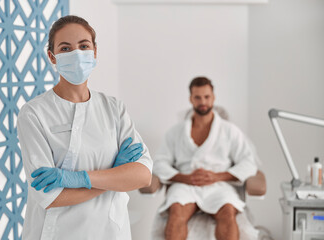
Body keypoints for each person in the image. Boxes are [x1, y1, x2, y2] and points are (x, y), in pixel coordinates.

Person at [17, 15, 153, 240]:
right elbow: (51, 197)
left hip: (111, 232)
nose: (77, 54)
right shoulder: (34, 114)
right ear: (52, 57)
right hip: (58, 233)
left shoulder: (114, 109)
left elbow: (143, 175)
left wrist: (78, 179)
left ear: (95, 52)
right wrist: (114, 177)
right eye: (66, 48)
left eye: (83, 46)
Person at [153, 77, 257, 240]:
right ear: (190, 99)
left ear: (213, 97)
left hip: (218, 184)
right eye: (198, 97)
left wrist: (218, 176)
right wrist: (184, 177)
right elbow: (160, 162)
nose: (203, 102)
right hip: (185, 185)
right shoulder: (176, 132)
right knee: (176, 212)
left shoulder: (230, 131)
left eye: (207, 97)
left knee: (228, 212)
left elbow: (248, 162)